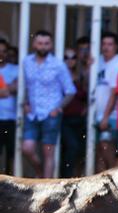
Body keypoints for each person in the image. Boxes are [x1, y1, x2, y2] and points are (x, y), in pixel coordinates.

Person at [21, 30, 76, 178]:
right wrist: (26, 102)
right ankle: (39, 172)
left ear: (51, 45)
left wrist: (58, 108)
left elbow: (70, 90)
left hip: (51, 113)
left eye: (46, 43)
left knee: (48, 153)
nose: (43, 46)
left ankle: (47, 187)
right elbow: (27, 86)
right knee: (27, 148)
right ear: (34, 44)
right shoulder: (27, 62)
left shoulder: (58, 65)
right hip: (32, 113)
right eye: (40, 43)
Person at [92, 32, 118, 172]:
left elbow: (114, 93)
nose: (106, 47)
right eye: (104, 44)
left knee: (107, 145)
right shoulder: (98, 60)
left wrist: (106, 116)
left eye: (110, 44)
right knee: (99, 150)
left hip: (112, 114)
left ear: (116, 47)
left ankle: (113, 176)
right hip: (96, 113)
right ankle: (99, 181)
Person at [60, 47, 88, 178]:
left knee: (80, 150)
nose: (70, 60)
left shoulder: (81, 76)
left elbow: (88, 95)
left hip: (80, 119)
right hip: (64, 118)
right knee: (71, 147)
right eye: (66, 57)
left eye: (73, 57)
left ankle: (77, 177)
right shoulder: (59, 76)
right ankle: (66, 177)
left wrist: (87, 107)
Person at [0, 39, 18, 175]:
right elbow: (6, 91)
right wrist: (8, 87)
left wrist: (7, 89)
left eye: (4, 51)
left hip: (12, 119)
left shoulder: (15, 69)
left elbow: (19, 87)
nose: (1, 54)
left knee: (12, 154)